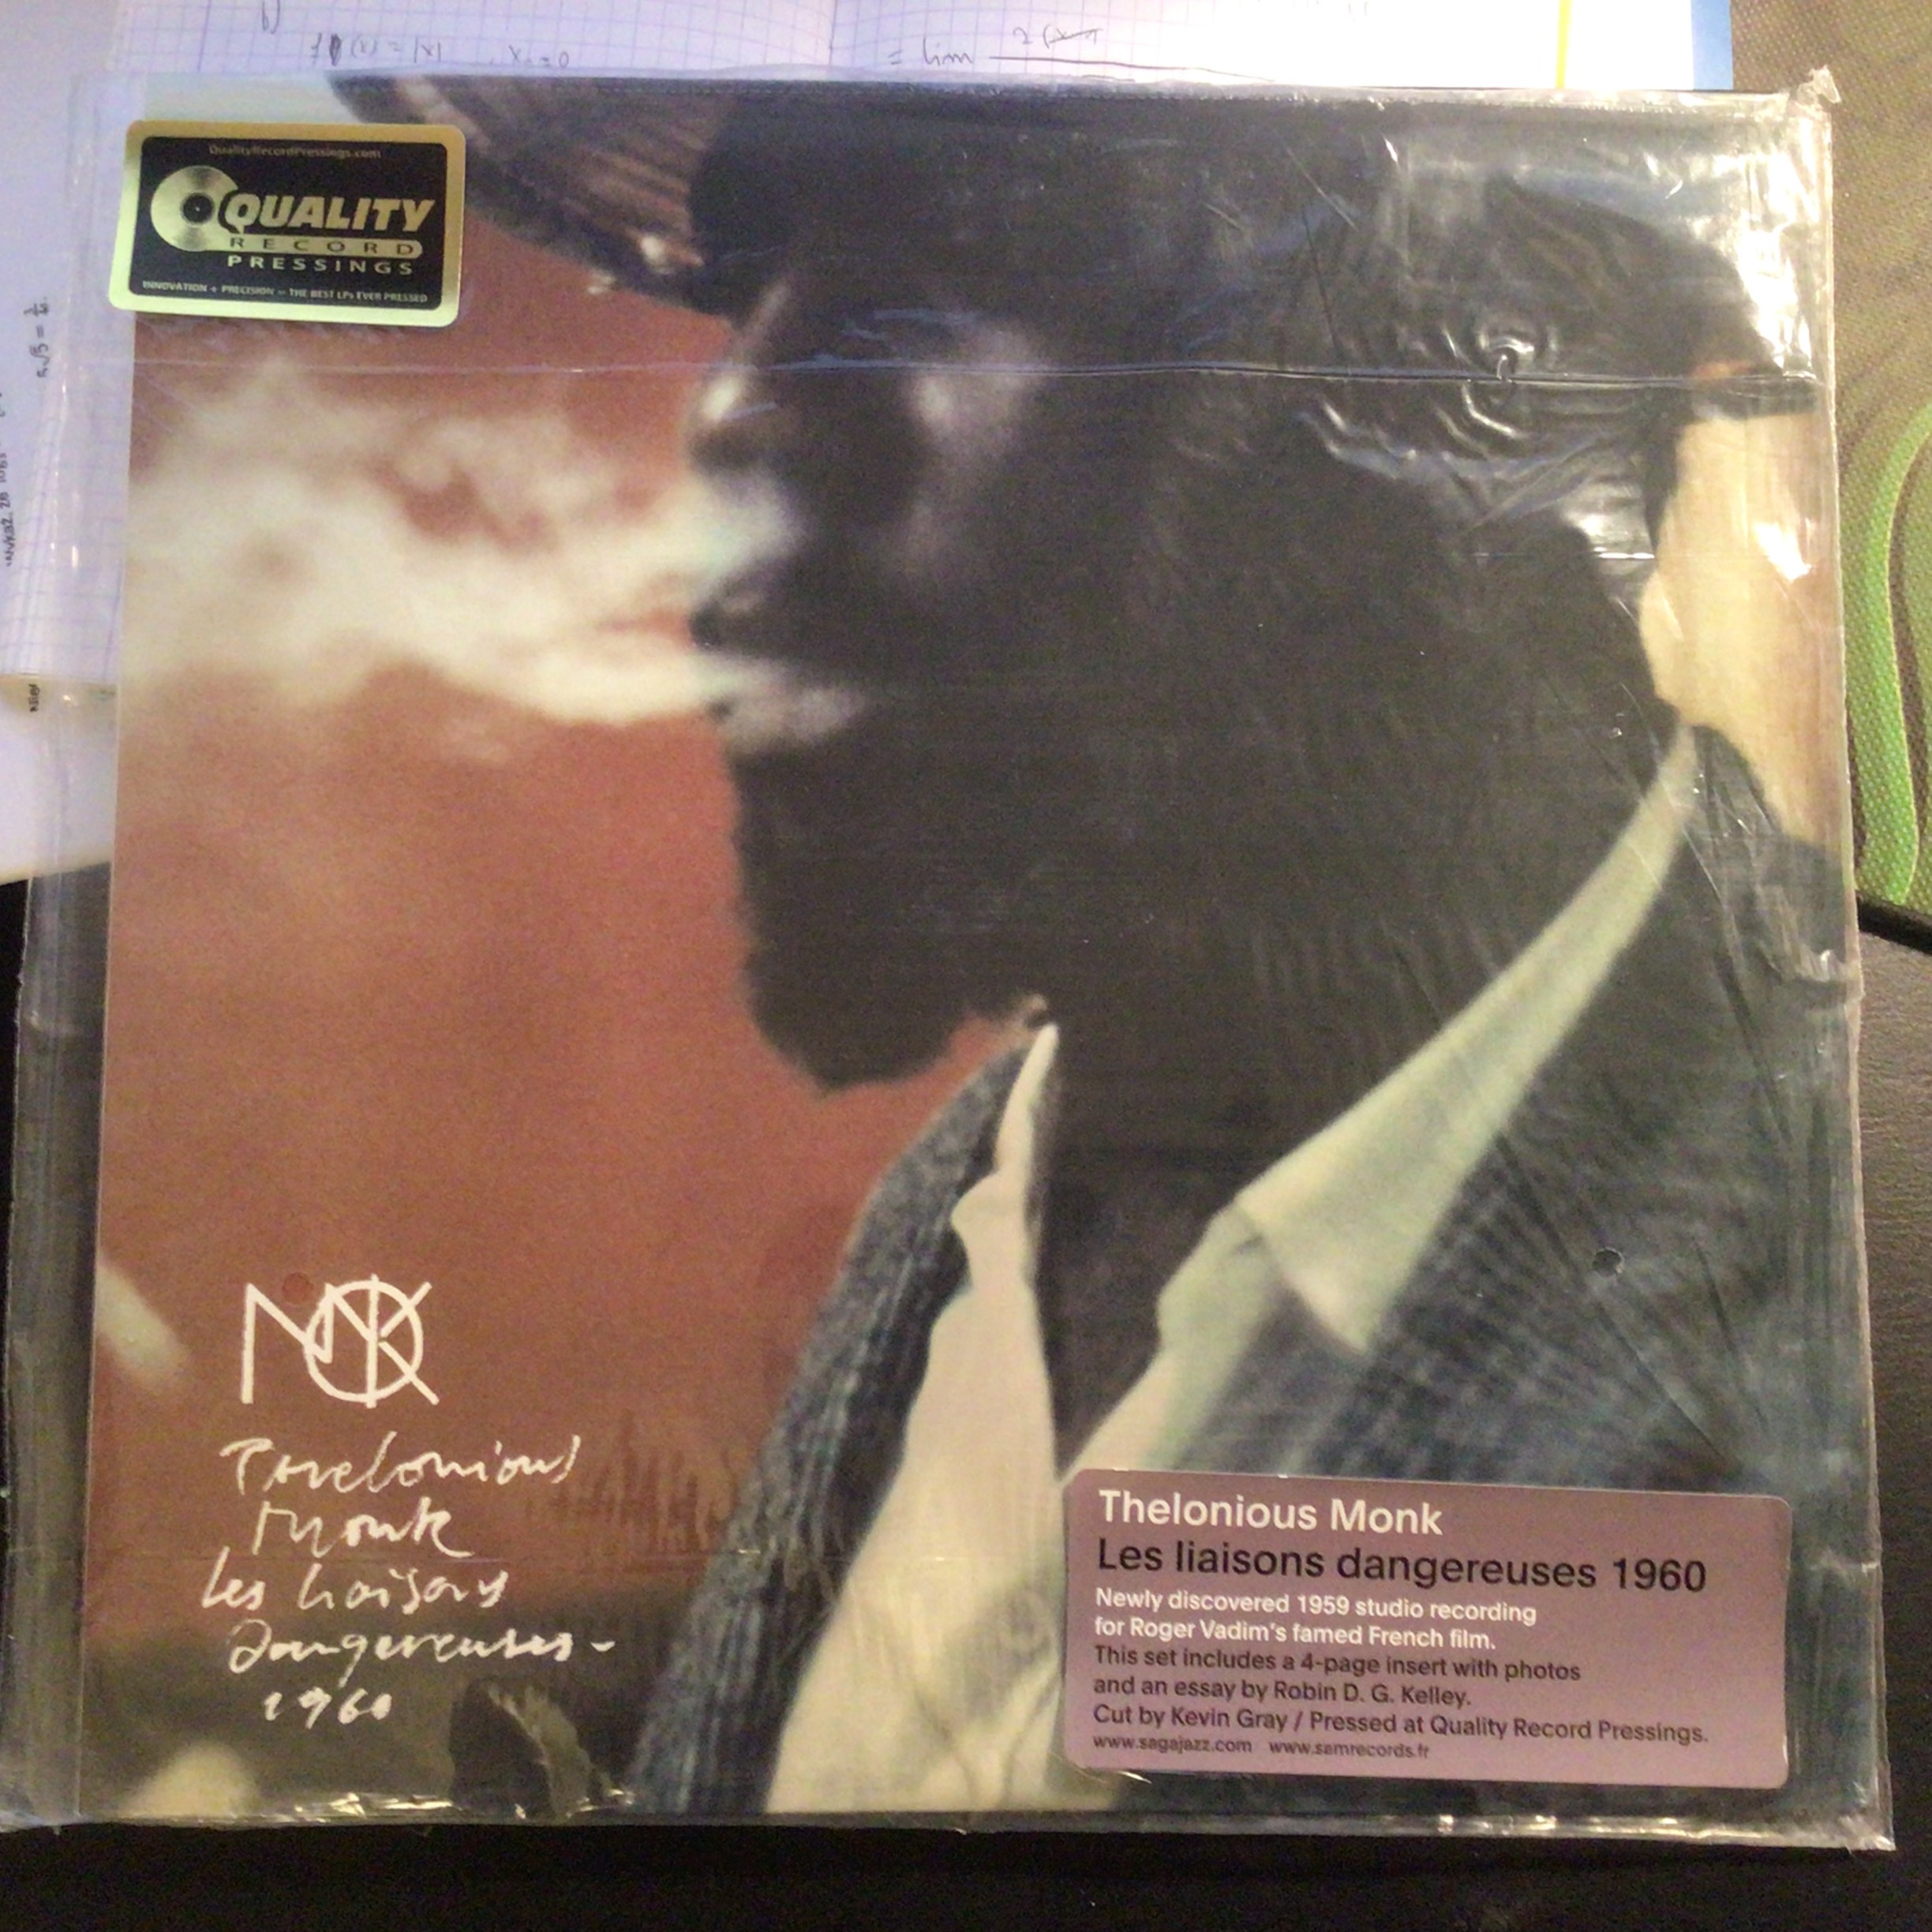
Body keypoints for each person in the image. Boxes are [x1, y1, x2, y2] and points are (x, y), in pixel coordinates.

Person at [348, 80, 1872, 1824]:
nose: (738, 409)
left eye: (978, 250)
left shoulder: (1796, 1315)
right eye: (752, 272)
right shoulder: (963, 1218)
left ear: (1460, 376)